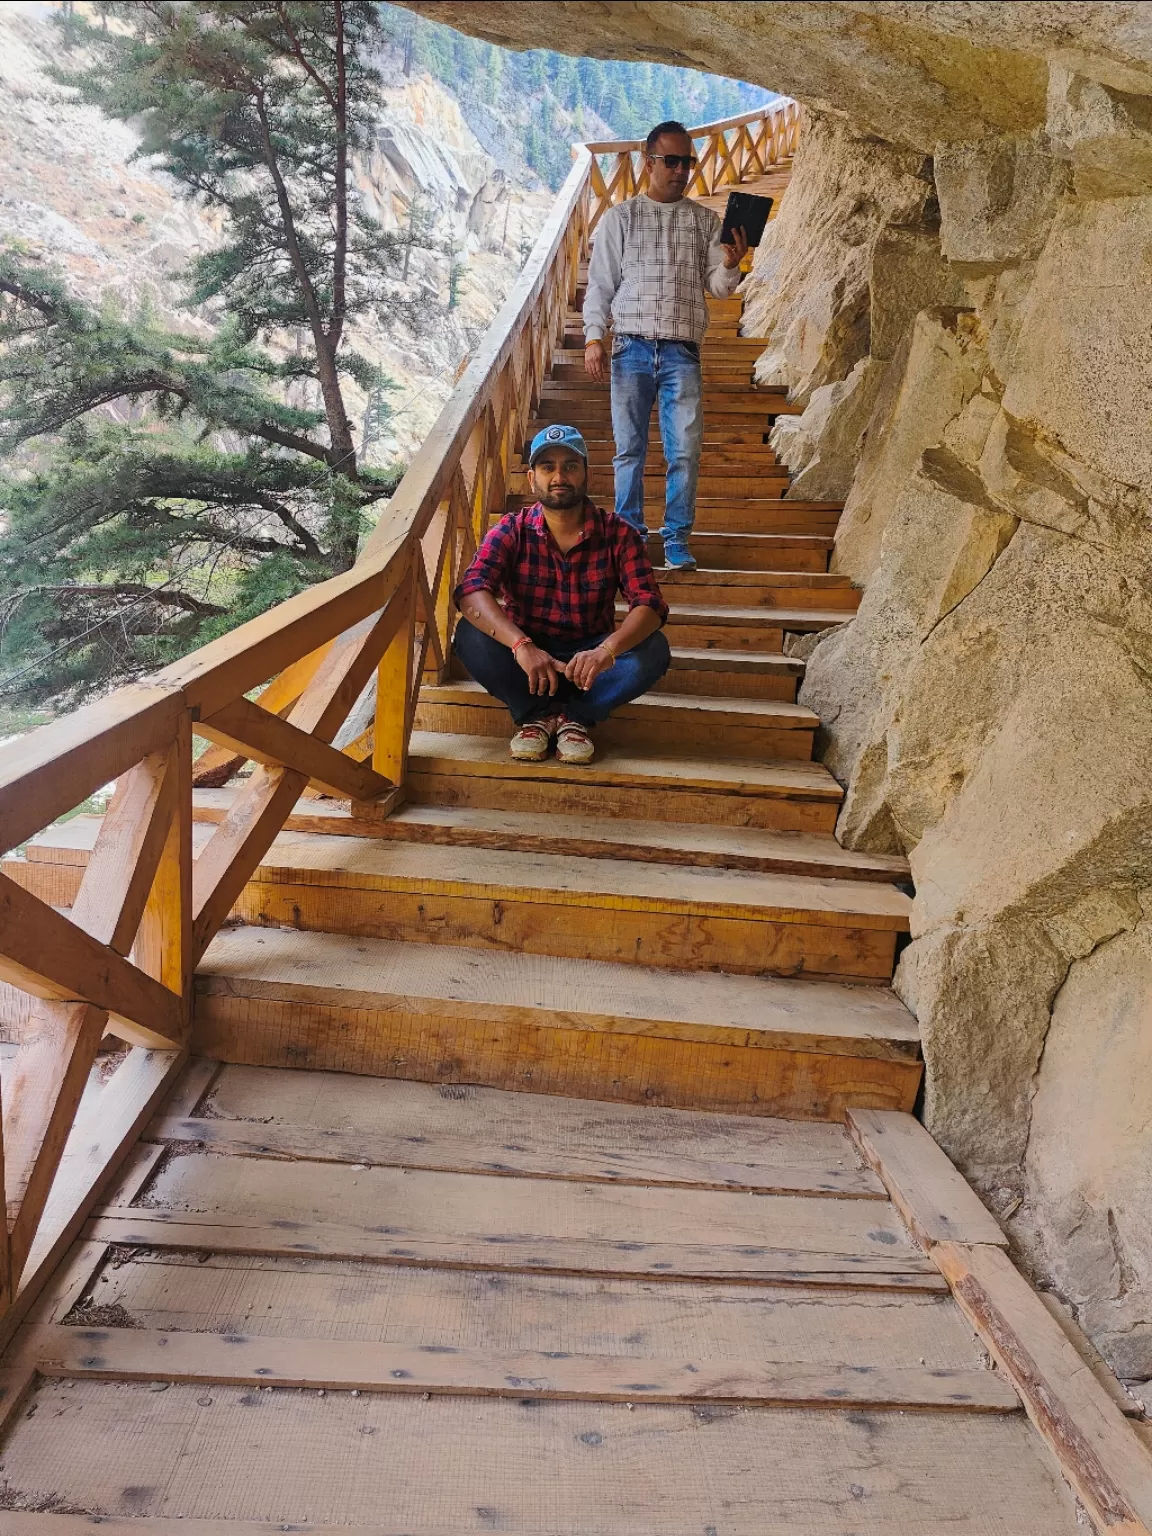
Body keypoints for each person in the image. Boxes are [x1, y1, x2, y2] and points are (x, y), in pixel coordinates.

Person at [583, 120, 750, 571]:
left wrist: (732, 264)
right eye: (671, 161)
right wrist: (594, 337)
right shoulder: (621, 217)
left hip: (682, 351)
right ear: (648, 161)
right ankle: (629, 540)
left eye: (687, 162)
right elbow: (600, 284)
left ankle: (676, 539)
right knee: (628, 450)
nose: (680, 171)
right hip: (630, 347)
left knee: (684, 452)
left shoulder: (705, 221)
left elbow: (718, 287)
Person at [453, 424, 670, 766]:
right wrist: (521, 646)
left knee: (653, 649)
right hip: (528, 660)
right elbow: (472, 590)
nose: (559, 476)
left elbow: (650, 604)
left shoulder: (619, 534)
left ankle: (576, 718)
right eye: (548, 467)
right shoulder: (512, 529)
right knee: (469, 635)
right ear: (531, 478)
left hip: (590, 662)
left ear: (587, 474)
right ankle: (535, 716)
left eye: (570, 466)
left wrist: (606, 652)